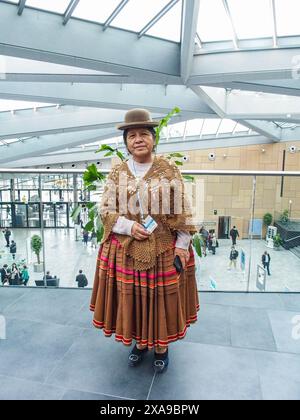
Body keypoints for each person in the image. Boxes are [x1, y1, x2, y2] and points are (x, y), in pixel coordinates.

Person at [90, 109, 199, 374]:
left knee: (159, 300)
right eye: (132, 135)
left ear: (153, 139)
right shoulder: (118, 172)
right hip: (126, 249)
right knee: (134, 299)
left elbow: (184, 210)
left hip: (163, 247)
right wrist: (127, 226)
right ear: (126, 142)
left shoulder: (168, 169)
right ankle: (140, 342)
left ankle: (161, 347)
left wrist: (182, 247)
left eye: (144, 134)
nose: (138, 139)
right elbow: (105, 209)